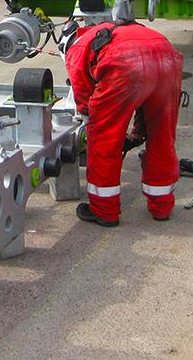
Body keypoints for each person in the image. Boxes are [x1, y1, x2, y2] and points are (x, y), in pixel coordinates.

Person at [60, 19, 184, 227]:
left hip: (124, 62)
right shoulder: (112, 32)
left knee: (104, 140)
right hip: (168, 58)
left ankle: (104, 211)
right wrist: (136, 135)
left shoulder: (77, 47)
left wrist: (88, 117)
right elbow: (145, 97)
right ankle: (162, 206)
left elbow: (82, 94)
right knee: (162, 137)